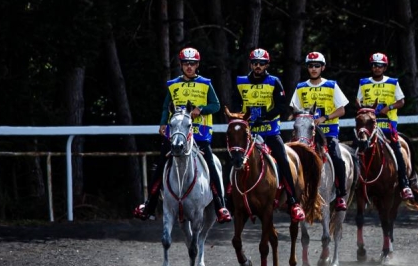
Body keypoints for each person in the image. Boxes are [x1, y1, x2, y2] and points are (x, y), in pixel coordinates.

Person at [134, 47, 233, 222]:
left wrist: (200, 109)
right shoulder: (173, 84)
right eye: (186, 63)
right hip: (176, 134)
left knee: (211, 164)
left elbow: (216, 105)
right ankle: (149, 205)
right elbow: (166, 106)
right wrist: (164, 122)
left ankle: (221, 206)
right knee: (160, 165)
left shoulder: (206, 83)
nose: (189, 67)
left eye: (192, 64)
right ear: (180, 65)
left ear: (197, 65)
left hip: (199, 134)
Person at [233, 47, 306, 222]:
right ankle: (229, 197)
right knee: (235, 156)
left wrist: (265, 117)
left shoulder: (274, 81)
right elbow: (236, 104)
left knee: (282, 158)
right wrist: (242, 120)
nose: (258, 66)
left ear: (267, 65)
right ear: (251, 64)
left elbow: (282, 107)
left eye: (262, 63)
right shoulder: (241, 81)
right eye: (255, 63)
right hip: (249, 133)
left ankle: (293, 201)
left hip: (270, 132)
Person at [290, 51, 350, 210]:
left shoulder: (331, 85)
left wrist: (325, 118)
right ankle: (289, 195)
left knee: (337, 157)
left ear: (322, 67)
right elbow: (294, 109)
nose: (314, 69)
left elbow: (342, 110)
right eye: (310, 66)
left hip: (328, 132)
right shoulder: (301, 87)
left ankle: (341, 194)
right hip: (306, 134)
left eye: (317, 66)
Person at [356, 52, 414, 201]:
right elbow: (357, 101)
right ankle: (355, 183)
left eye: (380, 66)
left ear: (385, 67)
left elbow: (401, 101)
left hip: (387, 126)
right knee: (357, 150)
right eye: (374, 65)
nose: (377, 68)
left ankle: (404, 184)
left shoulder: (393, 82)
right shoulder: (364, 83)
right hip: (369, 127)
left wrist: (388, 108)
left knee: (397, 151)